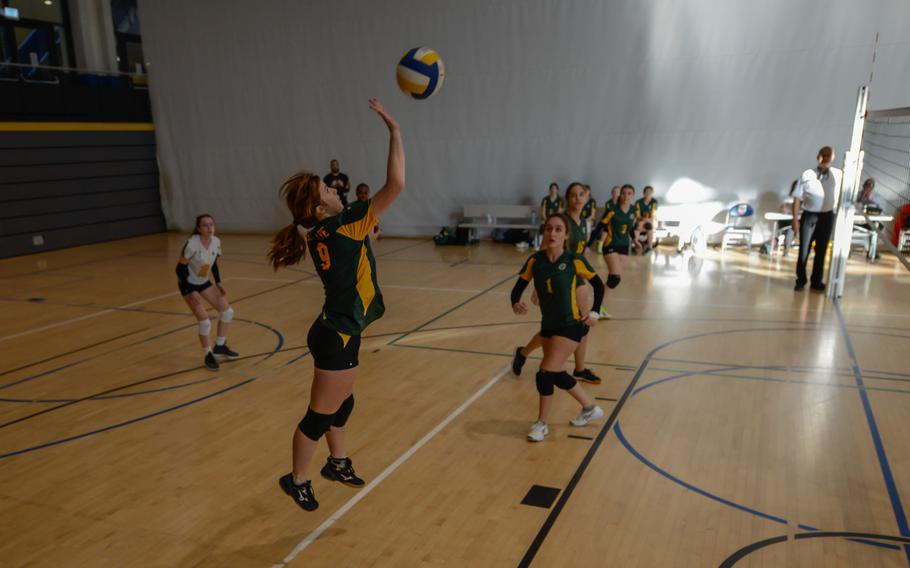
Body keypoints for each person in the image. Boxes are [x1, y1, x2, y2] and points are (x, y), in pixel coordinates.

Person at [269, 99, 403, 511]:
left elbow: (355, 248)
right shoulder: (343, 225)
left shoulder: (323, 232)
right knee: (319, 415)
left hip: (340, 328)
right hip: (337, 333)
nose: (337, 190)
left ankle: (338, 462)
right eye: (329, 190)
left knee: (344, 402)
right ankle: (297, 479)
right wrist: (394, 131)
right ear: (317, 208)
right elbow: (396, 184)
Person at [511, 213, 606, 442]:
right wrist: (515, 302)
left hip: (571, 326)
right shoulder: (535, 261)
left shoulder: (574, 260)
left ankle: (541, 424)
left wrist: (594, 312)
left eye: (558, 229)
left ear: (565, 235)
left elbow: (598, 285)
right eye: (549, 228)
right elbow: (517, 288)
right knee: (557, 373)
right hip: (549, 325)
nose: (552, 233)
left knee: (544, 373)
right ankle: (589, 407)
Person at [512, 183, 602, 385]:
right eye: (573, 195)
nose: (577, 198)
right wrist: (538, 285)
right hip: (559, 279)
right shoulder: (563, 220)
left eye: (581, 195)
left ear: (587, 198)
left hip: (576, 277)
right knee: (554, 329)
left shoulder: (582, 221)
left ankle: (578, 368)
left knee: (582, 325)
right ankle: (524, 352)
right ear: (567, 199)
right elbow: (545, 250)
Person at [175, 214, 239, 372]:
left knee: (227, 312)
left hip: (203, 281)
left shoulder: (216, 242)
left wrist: (219, 283)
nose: (209, 228)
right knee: (205, 322)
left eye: (211, 224)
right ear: (198, 228)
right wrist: (191, 292)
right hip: (187, 284)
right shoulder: (192, 244)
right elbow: (179, 269)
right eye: (205, 225)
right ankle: (208, 354)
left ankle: (220, 346)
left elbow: (214, 264)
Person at [792, 146, 841, 291]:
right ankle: (800, 280)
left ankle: (816, 281)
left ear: (833, 158)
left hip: (827, 216)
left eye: (828, 156)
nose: (825, 158)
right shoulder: (807, 174)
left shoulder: (838, 175)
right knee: (804, 249)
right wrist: (795, 219)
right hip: (809, 216)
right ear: (817, 156)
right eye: (823, 155)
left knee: (821, 250)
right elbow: (797, 198)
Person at [599, 184, 636, 311]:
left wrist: (635, 240)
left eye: (629, 193)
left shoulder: (633, 210)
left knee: (615, 279)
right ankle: (598, 306)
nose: (626, 195)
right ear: (620, 195)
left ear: (633, 195)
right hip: (610, 245)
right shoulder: (612, 209)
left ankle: (600, 303)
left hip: (624, 247)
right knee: (614, 277)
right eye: (623, 193)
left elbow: (630, 228)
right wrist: (588, 245)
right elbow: (601, 226)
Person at [594, 185, 622, 253]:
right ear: (612, 194)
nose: (616, 194)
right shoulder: (608, 203)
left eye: (618, 192)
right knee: (606, 228)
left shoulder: (621, 203)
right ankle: (600, 245)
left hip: (619, 221)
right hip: (610, 221)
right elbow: (608, 216)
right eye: (615, 192)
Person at [537, 183, 565, 249]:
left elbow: (559, 213)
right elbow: (543, 211)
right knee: (543, 224)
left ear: (557, 190)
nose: (553, 190)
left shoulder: (560, 200)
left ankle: (555, 244)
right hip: (546, 219)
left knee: (557, 226)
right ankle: (542, 244)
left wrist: (553, 220)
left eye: (555, 189)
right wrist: (546, 219)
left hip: (556, 219)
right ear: (550, 190)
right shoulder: (545, 199)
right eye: (552, 189)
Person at [634, 185, 658, 254]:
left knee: (649, 225)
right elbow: (638, 216)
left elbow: (653, 215)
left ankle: (649, 246)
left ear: (652, 193)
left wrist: (648, 220)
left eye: (650, 192)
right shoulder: (638, 202)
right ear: (643, 193)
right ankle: (637, 244)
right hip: (641, 221)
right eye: (646, 192)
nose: (648, 193)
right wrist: (644, 219)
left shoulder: (654, 202)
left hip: (650, 221)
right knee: (638, 224)